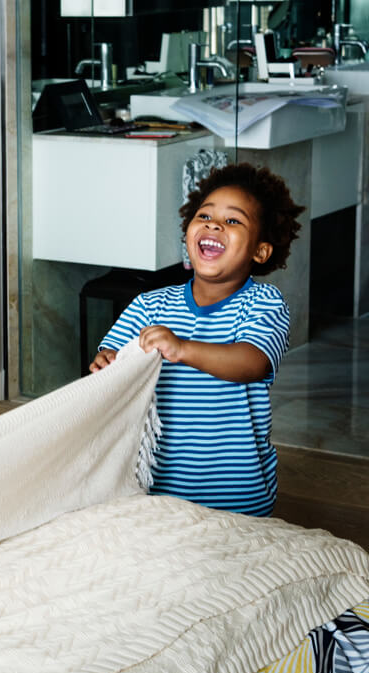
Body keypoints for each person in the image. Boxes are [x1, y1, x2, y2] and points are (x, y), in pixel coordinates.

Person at [89, 163, 302, 517]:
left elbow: (252, 363)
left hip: (234, 493)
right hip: (154, 488)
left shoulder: (263, 304)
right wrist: (107, 363)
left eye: (234, 221)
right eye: (205, 215)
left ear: (261, 251)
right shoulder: (150, 304)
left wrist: (183, 349)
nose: (215, 224)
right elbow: (112, 356)